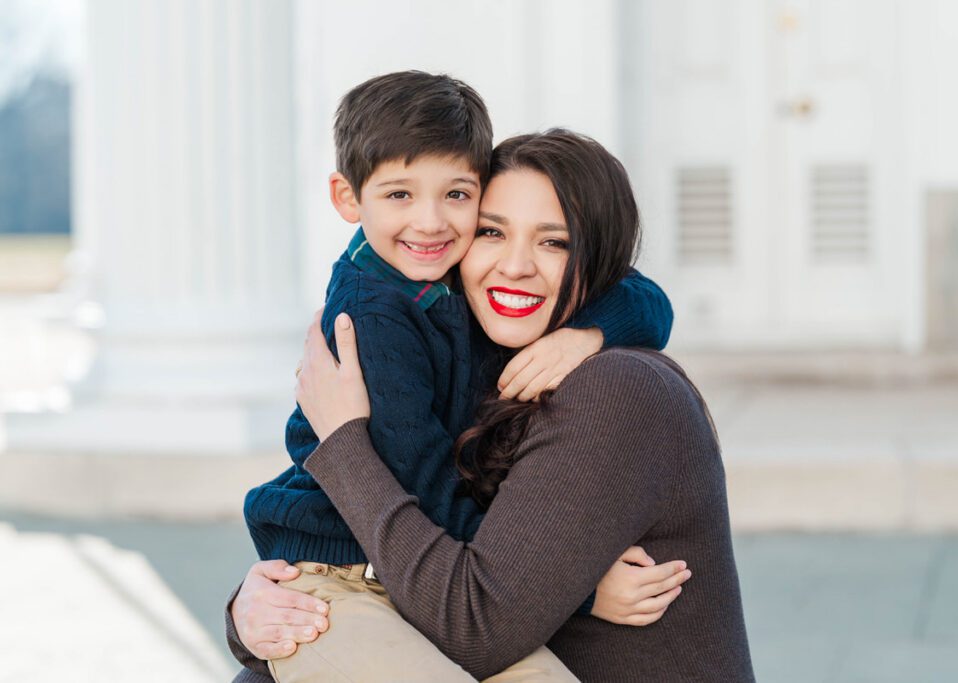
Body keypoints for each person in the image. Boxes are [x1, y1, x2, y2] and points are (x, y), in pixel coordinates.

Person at [231, 129, 756, 681]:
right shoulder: (464, 345)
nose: (514, 266)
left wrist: (344, 444)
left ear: (600, 260)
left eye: (554, 243)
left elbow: (476, 624)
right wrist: (251, 615)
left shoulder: (615, 390)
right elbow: (372, 551)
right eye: (491, 232)